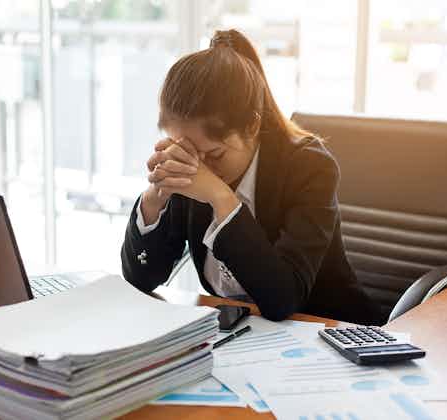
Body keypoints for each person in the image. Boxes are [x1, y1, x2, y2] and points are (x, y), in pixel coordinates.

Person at [121, 29, 383, 325]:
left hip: (326, 333)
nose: (200, 168)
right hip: (241, 336)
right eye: (188, 151)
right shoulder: (190, 163)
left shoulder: (310, 167)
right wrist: (153, 201)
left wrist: (221, 199)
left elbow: (282, 299)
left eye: (215, 154)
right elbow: (141, 279)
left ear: (252, 127)